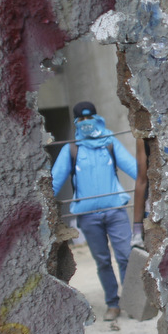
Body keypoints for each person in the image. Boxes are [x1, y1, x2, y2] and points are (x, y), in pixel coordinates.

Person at [51, 101, 138, 321]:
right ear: (76, 122)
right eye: (82, 119)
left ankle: (130, 301)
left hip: (115, 210)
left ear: (97, 118)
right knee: (102, 260)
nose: (87, 123)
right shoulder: (71, 149)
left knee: (125, 256)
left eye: (90, 118)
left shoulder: (109, 143)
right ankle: (113, 303)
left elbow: (134, 168)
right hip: (88, 216)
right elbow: (54, 181)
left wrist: (154, 182)